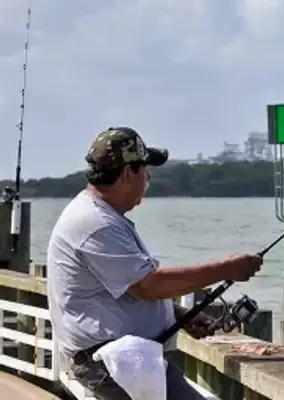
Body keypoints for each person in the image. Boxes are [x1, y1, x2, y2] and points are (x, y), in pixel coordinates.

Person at [45, 127, 264, 400]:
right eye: (144, 169)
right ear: (127, 174)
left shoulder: (101, 216)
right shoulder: (95, 223)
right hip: (114, 363)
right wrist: (227, 269)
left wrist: (176, 315)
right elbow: (148, 285)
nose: (148, 177)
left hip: (121, 360)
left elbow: (122, 289)